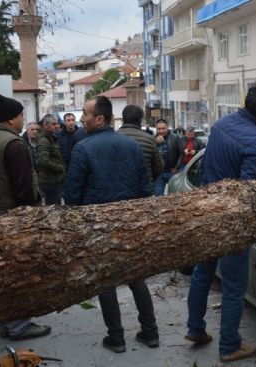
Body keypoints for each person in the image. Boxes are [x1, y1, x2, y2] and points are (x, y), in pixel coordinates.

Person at [185, 81, 256, 363]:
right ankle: (229, 346)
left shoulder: (221, 124)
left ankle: (195, 328)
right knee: (234, 286)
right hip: (231, 222)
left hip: (206, 210)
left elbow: (210, 168)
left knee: (202, 274)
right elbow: (246, 190)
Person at [64, 96, 158, 354]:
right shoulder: (132, 146)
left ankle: (116, 338)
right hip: (130, 224)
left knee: (106, 282)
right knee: (137, 278)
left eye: (84, 113)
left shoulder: (83, 148)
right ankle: (150, 332)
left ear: (100, 118)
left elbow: (71, 196)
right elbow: (146, 187)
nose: (81, 118)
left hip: (98, 226)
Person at [0, 94, 51, 341]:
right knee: (16, 276)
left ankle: (4, 325)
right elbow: (23, 190)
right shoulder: (13, 145)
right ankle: (19, 327)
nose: (24, 120)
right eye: (22, 115)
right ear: (11, 119)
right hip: (8, 220)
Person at [118, 105, 164, 192]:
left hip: (119, 189)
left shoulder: (113, 138)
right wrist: (149, 178)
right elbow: (159, 166)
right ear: (140, 120)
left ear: (123, 119)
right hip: (144, 189)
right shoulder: (149, 139)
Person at [36, 114, 66, 205]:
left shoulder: (50, 138)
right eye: (53, 124)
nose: (56, 126)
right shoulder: (44, 140)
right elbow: (43, 161)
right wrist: (59, 167)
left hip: (54, 179)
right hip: (50, 181)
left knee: (56, 207)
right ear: (45, 125)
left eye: (56, 123)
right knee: (53, 209)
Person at [154, 119, 183, 196]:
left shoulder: (175, 138)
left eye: (163, 128)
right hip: (159, 174)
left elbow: (181, 153)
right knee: (158, 198)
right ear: (156, 129)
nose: (161, 131)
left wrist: (176, 167)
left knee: (174, 197)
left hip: (172, 171)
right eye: (159, 129)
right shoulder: (153, 139)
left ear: (167, 128)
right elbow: (150, 154)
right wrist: (155, 143)